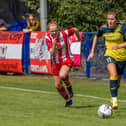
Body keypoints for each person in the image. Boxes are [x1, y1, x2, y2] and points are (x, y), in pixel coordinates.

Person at [87, 11, 126, 109]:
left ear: (116, 20)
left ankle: (112, 96)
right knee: (113, 74)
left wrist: (119, 46)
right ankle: (115, 101)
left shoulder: (122, 27)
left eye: (112, 19)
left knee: (117, 82)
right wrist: (92, 51)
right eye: (108, 19)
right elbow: (96, 36)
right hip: (109, 54)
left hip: (122, 57)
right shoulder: (103, 28)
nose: (110, 21)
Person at [45, 21, 80, 107]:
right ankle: (68, 100)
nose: (53, 33)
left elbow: (75, 29)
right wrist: (53, 45)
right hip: (56, 62)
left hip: (67, 58)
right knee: (57, 85)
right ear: (49, 31)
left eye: (55, 31)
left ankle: (69, 86)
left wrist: (78, 38)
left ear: (58, 30)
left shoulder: (64, 33)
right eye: (51, 31)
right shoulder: (48, 38)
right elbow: (52, 53)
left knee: (62, 75)